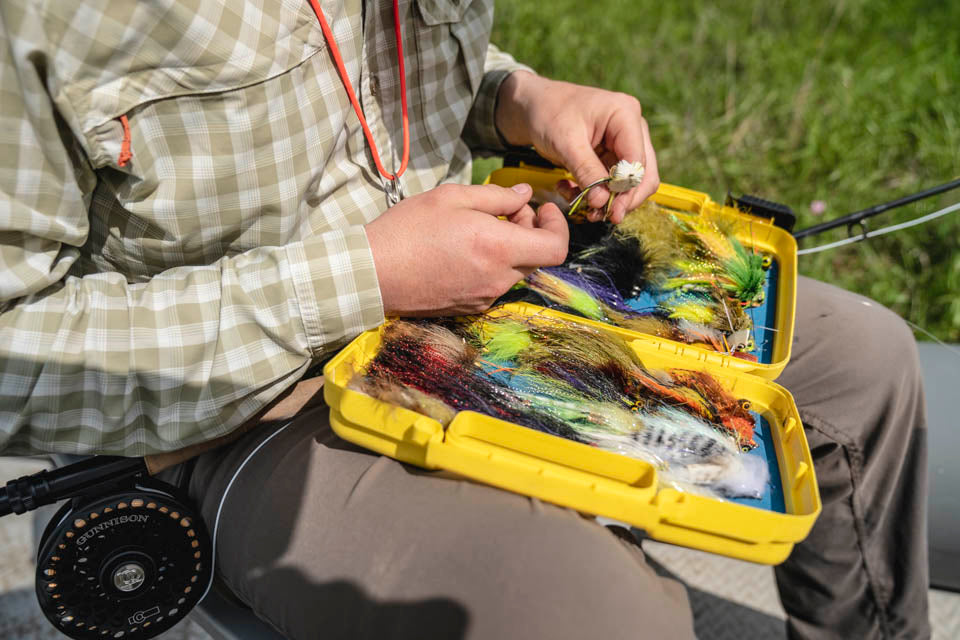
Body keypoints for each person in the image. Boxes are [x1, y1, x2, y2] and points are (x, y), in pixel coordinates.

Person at [0, 1, 928, 638]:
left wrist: (513, 99)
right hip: (240, 411)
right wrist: (366, 276)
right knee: (597, 613)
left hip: (484, 298)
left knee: (868, 363)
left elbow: (365, 85)